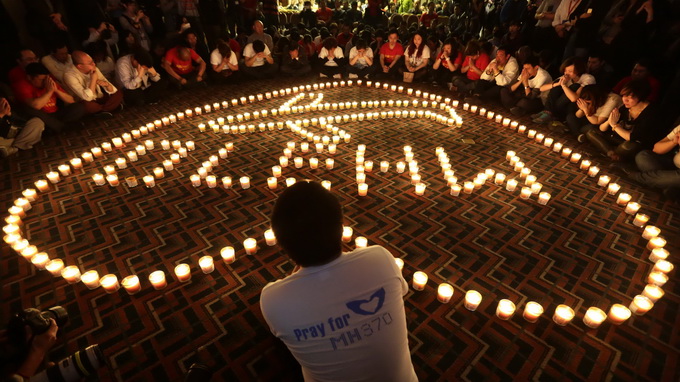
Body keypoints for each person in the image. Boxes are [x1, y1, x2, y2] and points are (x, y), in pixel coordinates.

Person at [260, 181, 418, 382]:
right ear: (342, 228)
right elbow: (402, 292)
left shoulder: (273, 300)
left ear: (281, 243)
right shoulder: (380, 258)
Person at [583, 79, 663, 161]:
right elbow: (602, 129)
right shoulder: (625, 107)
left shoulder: (651, 112)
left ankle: (612, 154)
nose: (625, 100)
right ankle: (612, 154)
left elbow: (632, 138)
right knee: (591, 132)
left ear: (641, 96)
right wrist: (609, 121)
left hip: (635, 144)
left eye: (630, 97)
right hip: (619, 139)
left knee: (627, 147)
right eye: (624, 95)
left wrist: (614, 125)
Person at [13, 63, 85, 133]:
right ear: (29, 78)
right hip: (41, 116)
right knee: (30, 109)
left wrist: (56, 90)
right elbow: (36, 106)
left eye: (46, 79)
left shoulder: (49, 82)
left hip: (55, 114)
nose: (45, 82)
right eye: (41, 80)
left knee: (78, 107)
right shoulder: (22, 85)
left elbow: (71, 100)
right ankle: (61, 127)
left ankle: (56, 127)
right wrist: (49, 92)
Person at [532, 57, 594, 124]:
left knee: (575, 86)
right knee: (557, 84)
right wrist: (558, 84)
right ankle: (548, 112)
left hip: (575, 107)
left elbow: (574, 98)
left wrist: (563, 85)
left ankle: (550, 113)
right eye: (565, 70)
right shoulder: (566, 77)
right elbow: (541, 88)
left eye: (570, 71)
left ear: (578, 70)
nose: (566, 73)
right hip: (560, 105)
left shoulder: (588, 78)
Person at [64, 51, 123, 116]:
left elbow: (112, 89)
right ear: (80, 66)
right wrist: (93, 79)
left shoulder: (94, 68)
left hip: (98, 97)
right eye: (90, 63)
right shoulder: (69, 75)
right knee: (87, 106)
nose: (94, 64)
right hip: (85, 101)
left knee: (118, 92)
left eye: (93, 61)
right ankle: (108, 108)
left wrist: (107, 85)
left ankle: (102, 110)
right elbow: (86, 98)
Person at [630, 124, 680, 199]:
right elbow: (656, 148)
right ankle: (669, 187)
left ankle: (634, 176)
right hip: (673, 164)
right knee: (643, 156)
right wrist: (673, 142)